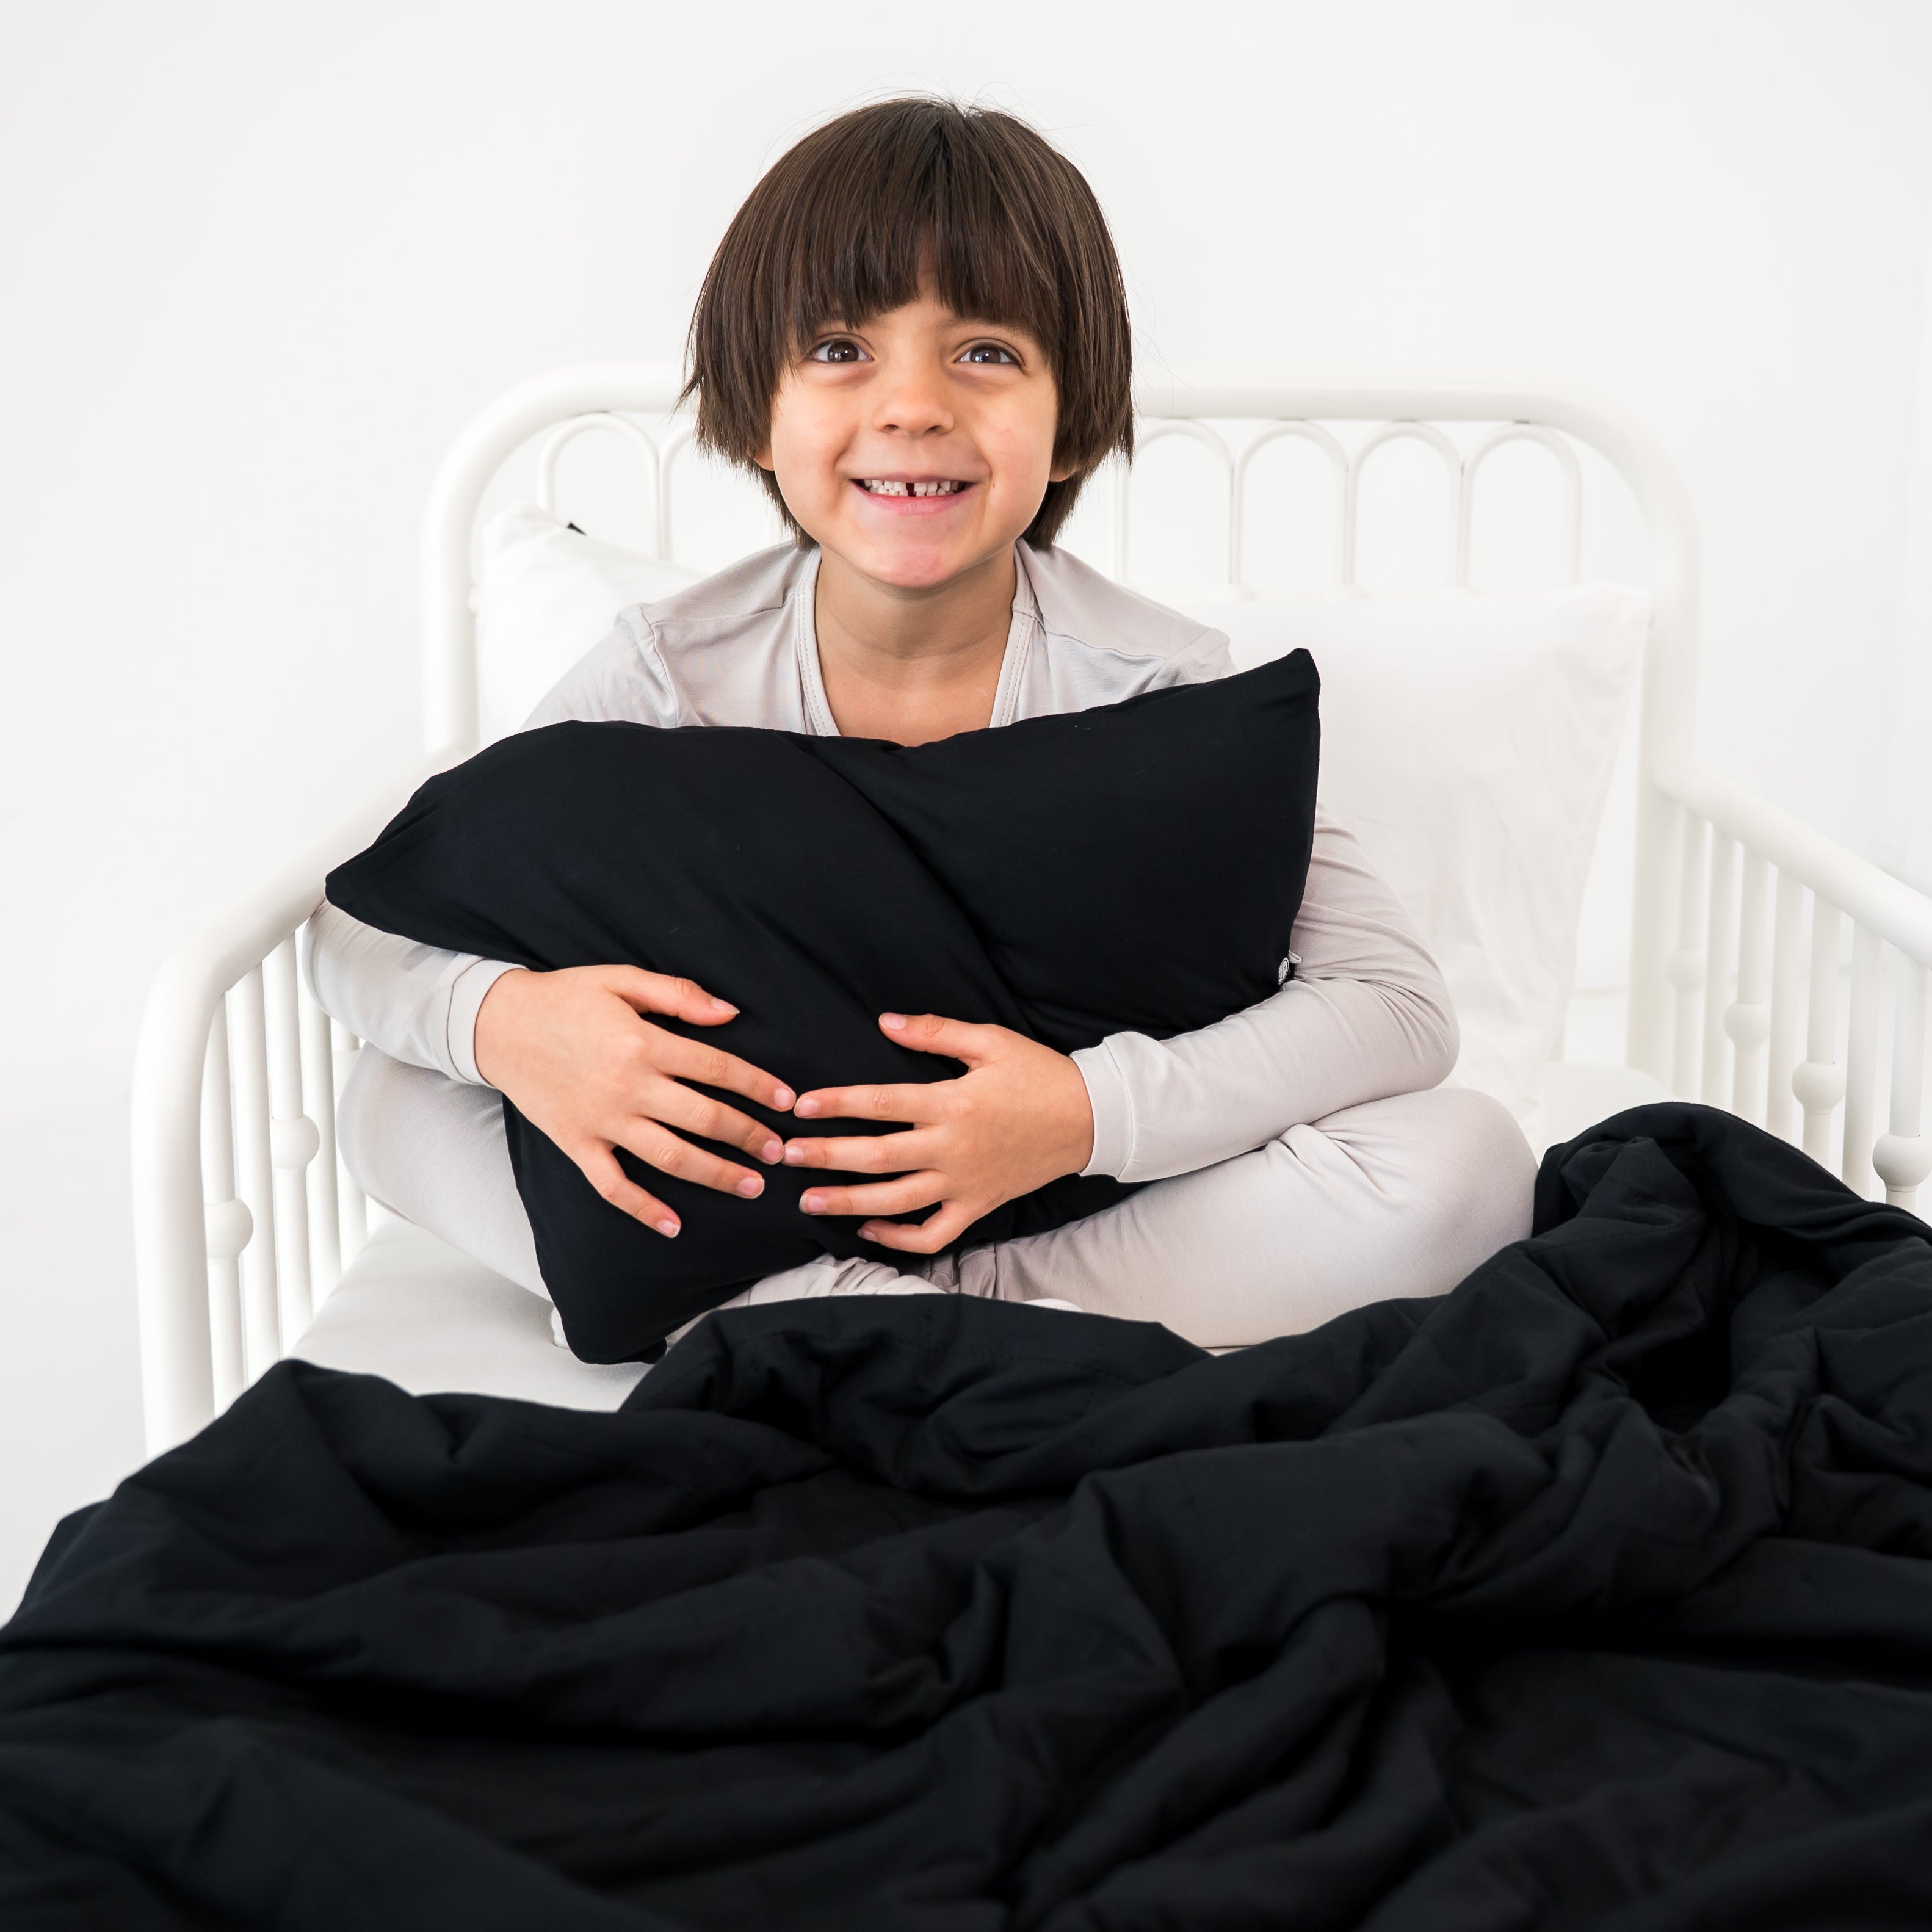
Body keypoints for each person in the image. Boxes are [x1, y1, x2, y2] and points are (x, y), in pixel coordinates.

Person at [306, 98, 1535, 1354]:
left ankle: (874, 1326)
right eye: (841, 347)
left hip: (1067, 1215)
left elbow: (1393, 1006)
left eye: (984, 351)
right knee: (394, 1093)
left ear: (1071, 415)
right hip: (753, 1200)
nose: (911, 406)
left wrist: (1080, 1112)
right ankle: (896, 1324)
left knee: (1467, 1164)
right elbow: (366, 929)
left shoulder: (1157, 688)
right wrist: (513, 1025)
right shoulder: (666, 675)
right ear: (756, 405)